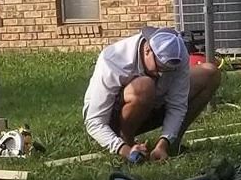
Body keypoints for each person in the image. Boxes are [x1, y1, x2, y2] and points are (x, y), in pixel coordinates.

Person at [81, 26, 222, 162]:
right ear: (147, 49)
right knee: (145, 85)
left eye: (168, 71)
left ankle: (172, 145)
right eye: (159, 68)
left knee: (210, 73)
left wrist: (164, 142)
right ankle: (129, 144)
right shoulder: (113, 59)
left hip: (154, 106)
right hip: (113, 120)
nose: (161, 74)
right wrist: (124, 150)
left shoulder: (178, 55)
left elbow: (177, 105)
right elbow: (94, 122)